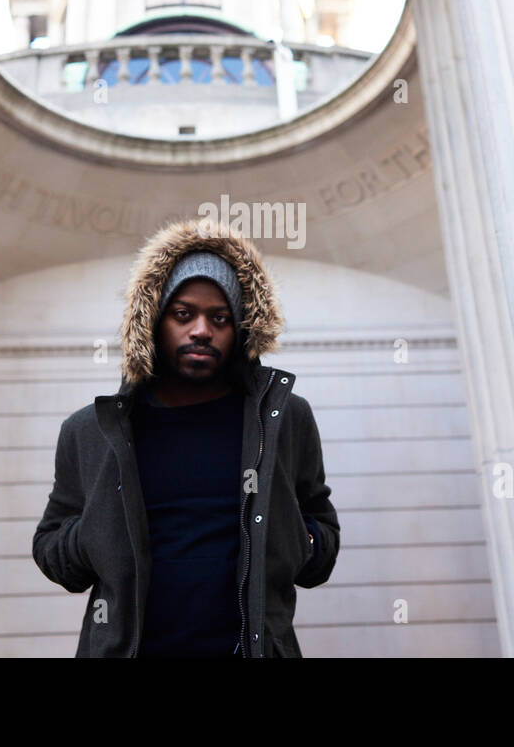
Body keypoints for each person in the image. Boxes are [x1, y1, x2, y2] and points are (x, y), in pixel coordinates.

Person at [32, 217, 340, 657]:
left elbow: (321, 538)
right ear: (154, 323)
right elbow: (51, 549)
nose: (201, 330)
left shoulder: (286, 418)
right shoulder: (91, 430)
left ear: (241, 330)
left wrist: (300, 539)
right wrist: (97, 532)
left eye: (220, 318)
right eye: (183, 314)